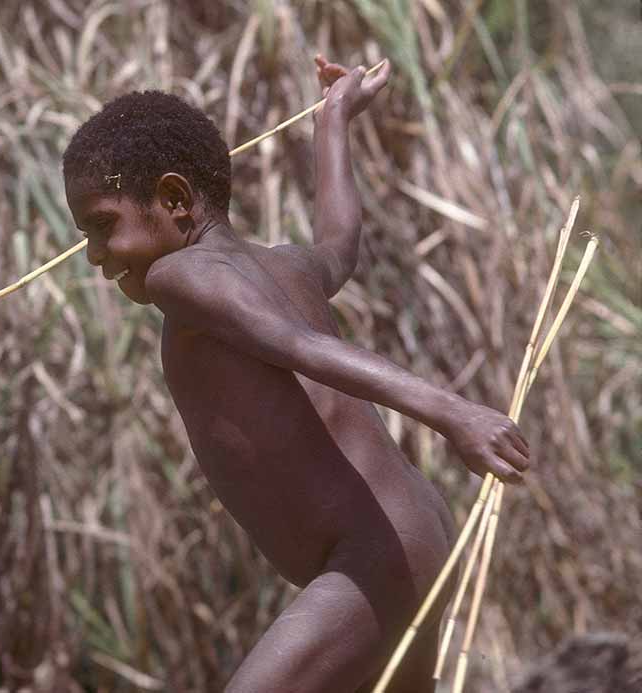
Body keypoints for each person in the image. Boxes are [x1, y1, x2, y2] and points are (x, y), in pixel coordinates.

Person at [61, 55, 531, 693]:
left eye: (102, 226)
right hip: (415, 531)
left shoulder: (179, 277)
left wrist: (454, 414)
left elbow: (300, 346)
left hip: (374, 560)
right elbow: (339, 243)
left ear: (173, 200)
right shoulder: (284, 266)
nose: (93, 254)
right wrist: (334, 118)